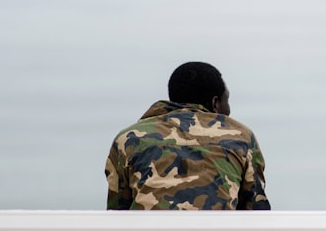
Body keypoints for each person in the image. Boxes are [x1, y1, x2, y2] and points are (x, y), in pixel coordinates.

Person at [106, 61, 270, 211]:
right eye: (227, 100)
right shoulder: (241, 137)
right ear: (215, 103)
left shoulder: (129, 138)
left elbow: (117, 211)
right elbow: (255, 210)